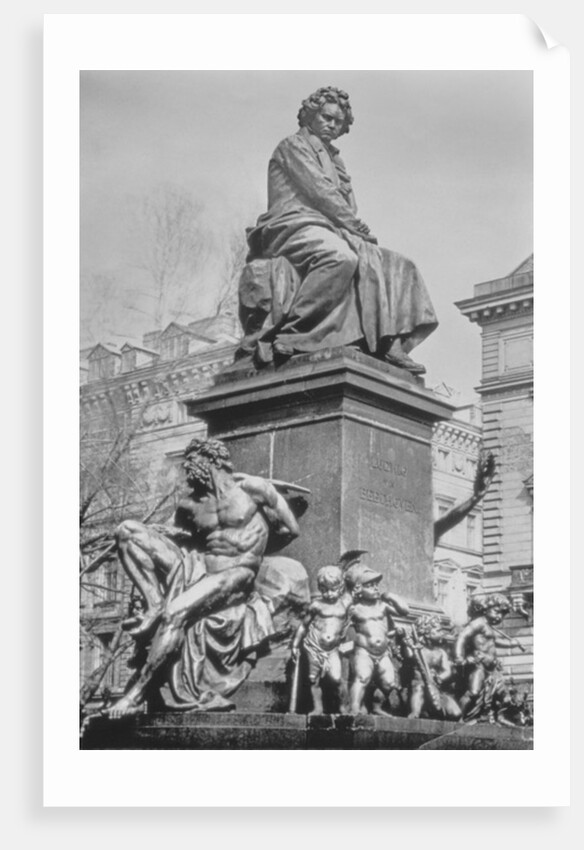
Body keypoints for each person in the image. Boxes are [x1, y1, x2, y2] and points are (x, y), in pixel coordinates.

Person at [239, 86, 438, 373]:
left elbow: (347, 204)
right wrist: (354, 225)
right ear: (310, 115)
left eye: (338, 122)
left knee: (400, 265)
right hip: (291, 224)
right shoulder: (292, 146)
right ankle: (294, 332)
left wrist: (347, 201)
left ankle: (389, 342)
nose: (332, 124)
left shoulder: (334, 159)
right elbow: (319, 192)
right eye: (326, 117)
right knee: (340, 258)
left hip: (329, 226)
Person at [106, 438, 300, 717]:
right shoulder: (190, 505)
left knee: (175, 614)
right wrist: (161, 536)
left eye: (193, 460)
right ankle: (154, 602)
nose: (187, 467)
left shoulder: (253, 489)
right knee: (127, 531)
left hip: (236, 572)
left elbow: (290, 529)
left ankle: (136, 697)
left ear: (213, 460)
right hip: (196, 567)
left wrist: (254, 555)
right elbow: (172, 532)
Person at [344, 563, 409, 715]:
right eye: (369, 585)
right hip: (363, 651)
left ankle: (376, 706)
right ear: (359, 589)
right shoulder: (354, 608)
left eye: (376, 585)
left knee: (389, 683)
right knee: (362, 677)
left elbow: (404, 611)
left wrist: (391, 596)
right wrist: (346, 648)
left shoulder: (382, 606)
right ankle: (353, 708)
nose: (375, 588)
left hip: (383, 652)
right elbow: (343, 625)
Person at [454, 593, 525, 722]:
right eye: (497, 612)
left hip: (491, 668)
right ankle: (457, 718)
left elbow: (494, 642)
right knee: (473, 692)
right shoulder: (478, 623)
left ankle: (491, 717)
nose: (499, 617)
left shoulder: (489, 627)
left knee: (498, 695)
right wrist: (459, 656)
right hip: (478, 665)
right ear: (486, 608)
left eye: (502, 615)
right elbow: (462, 637)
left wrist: (510, 643)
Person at [290, 565, 351, 714]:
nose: (329, 594)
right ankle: (317, 707)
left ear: (341, 587)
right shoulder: (316, 605)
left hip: (333, 649)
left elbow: (351, 621)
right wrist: (295, 644)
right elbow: (304, 626)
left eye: (333, 590)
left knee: (337, 679)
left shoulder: (344, 604)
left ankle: (344, 707)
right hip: (314, 646)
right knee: (313, 678)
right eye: (324, 590)